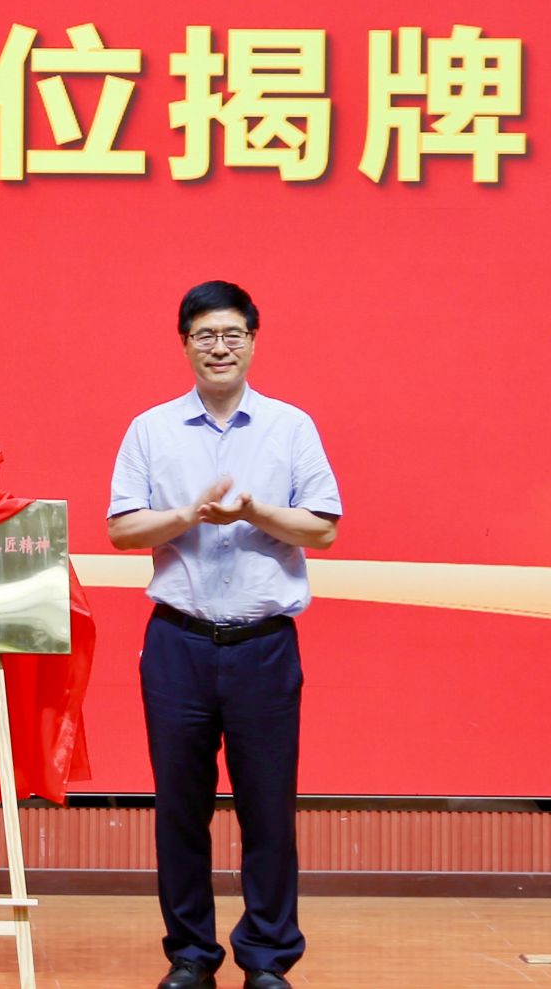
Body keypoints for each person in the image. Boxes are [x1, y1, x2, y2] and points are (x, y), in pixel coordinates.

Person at [107, 280, 343, 989]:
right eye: (205, 335)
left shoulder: (290, 427)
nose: (220, 347)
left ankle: (267, 959)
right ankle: (190, 955)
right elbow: (122, 529)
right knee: (180, 808)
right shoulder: (151, 429)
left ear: (252, 341)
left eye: (233, 334)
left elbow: (323, 528)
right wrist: (189, 514)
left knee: (267, 808)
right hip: (178, 643)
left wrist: (254, 511)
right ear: (185, 343)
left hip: (263, 644)